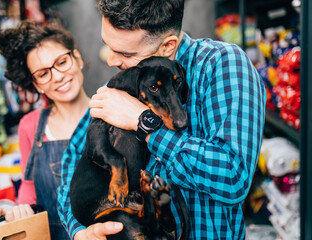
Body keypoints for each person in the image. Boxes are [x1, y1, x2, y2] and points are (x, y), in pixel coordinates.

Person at [57, 0, 266, 239]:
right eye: (108, 45)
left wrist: (143, 122)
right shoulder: (121, 85)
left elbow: (232, 176)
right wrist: (79, 232)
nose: (111, 60)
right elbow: (70, 165)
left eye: (125, 53)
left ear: (168, 46)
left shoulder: (222, 65)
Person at [0, 21, 93, 240]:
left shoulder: (110, 111)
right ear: (36, 84)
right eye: (43, 74)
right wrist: (19, 211)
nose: (57, 76)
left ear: (76, 58)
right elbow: (29, 189)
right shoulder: (30, 126)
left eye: (61, 62)